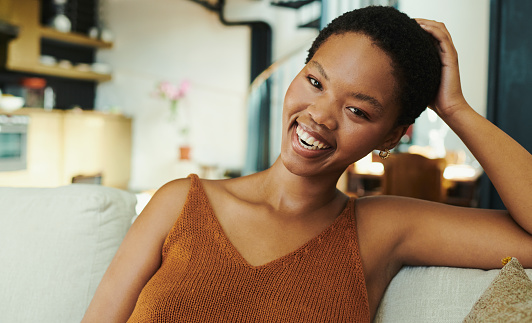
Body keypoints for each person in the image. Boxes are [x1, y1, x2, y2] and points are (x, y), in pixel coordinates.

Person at [82, 6, 532, 322]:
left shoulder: (382, 229)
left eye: (358, 110)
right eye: (315, 81)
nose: (319, 114)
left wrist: (456, 109)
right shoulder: (180, 203)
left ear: (392, 136)